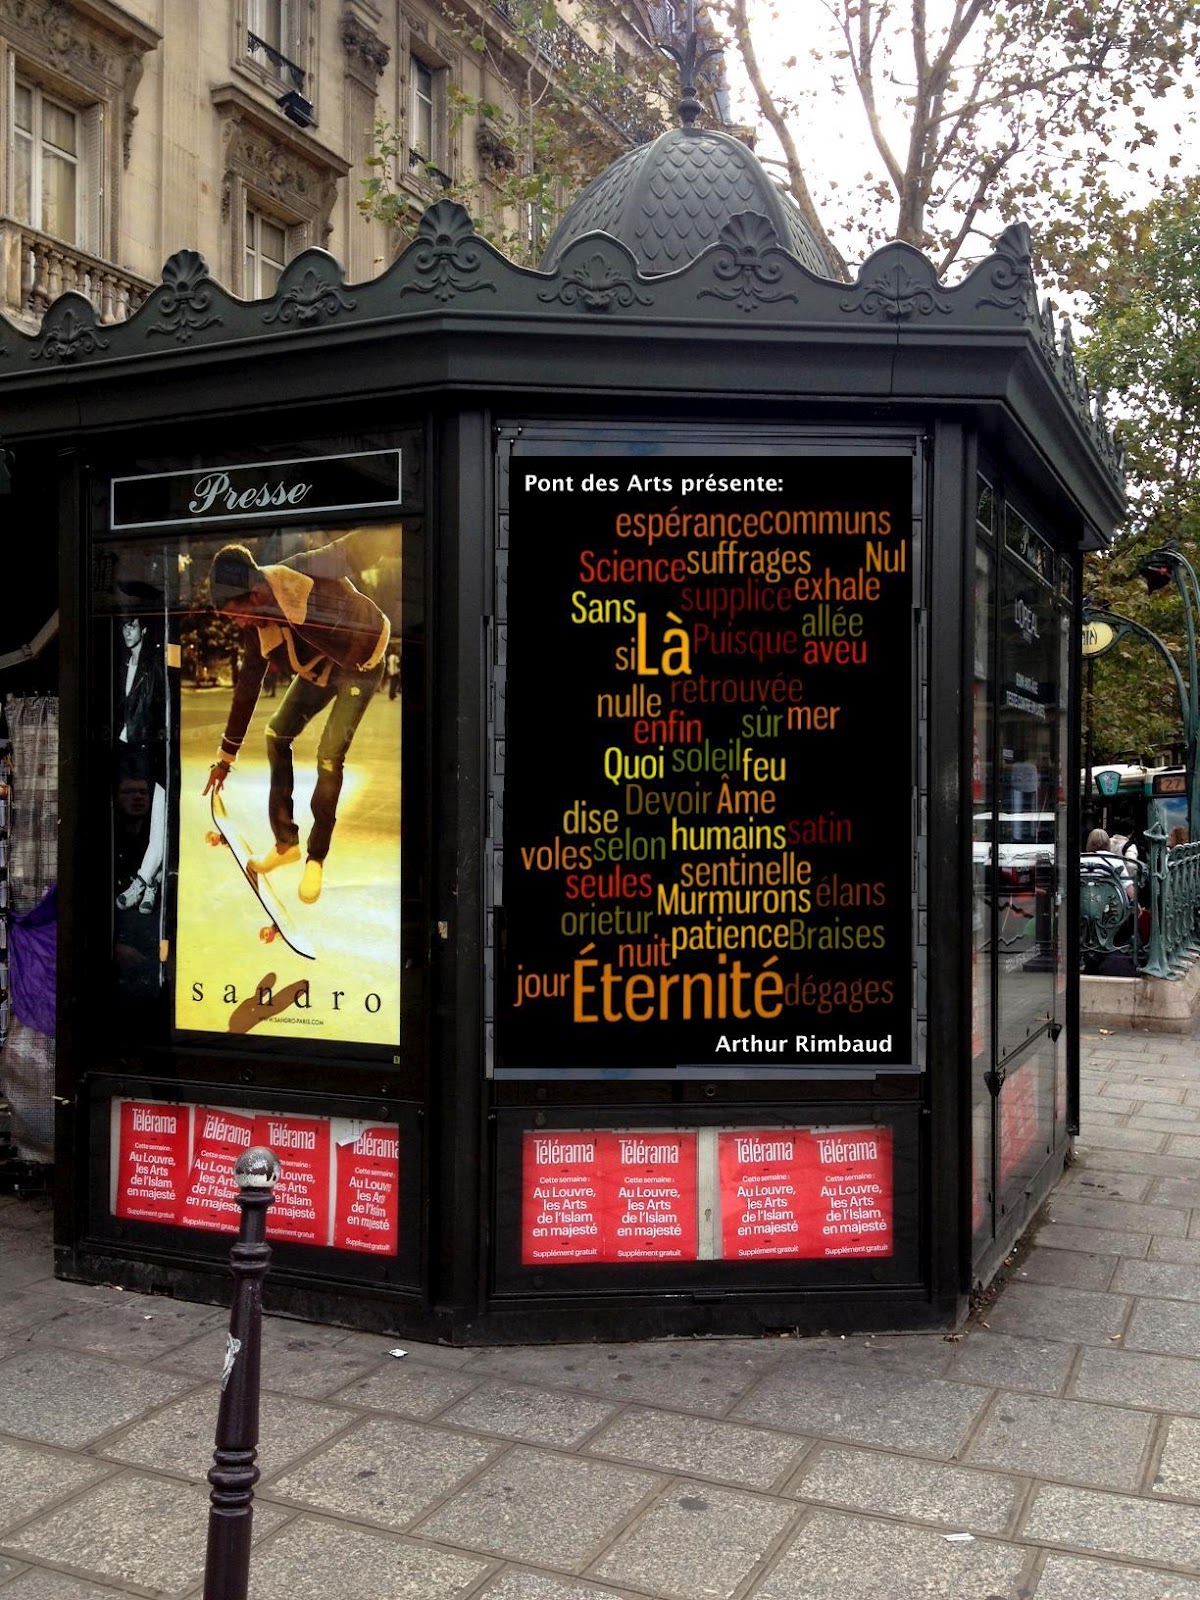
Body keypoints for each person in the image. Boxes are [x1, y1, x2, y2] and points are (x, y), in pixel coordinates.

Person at [203, 531, 391, 905]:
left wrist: (394, 529)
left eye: (236, 614)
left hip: (362, 665)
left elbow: (352, 549)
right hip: (320, 670)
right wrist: (225, 757)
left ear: (254, 593)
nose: (238, 624)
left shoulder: (303, 572)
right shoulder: (258, 626)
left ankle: (316, 857)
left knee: (328, 756)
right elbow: (247, 686)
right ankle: (285, 842)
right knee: (277, 734)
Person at [114, 615, 167, 914]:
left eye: (132, 626)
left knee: (155, 817)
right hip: (128, 747)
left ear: (143, 630)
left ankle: (146, 882)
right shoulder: (124, 665)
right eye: (124, 627)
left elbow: (155, 710)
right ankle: (148, 883)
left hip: (147, 747)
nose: (126, 632)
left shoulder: (152, 666)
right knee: (139, 817)